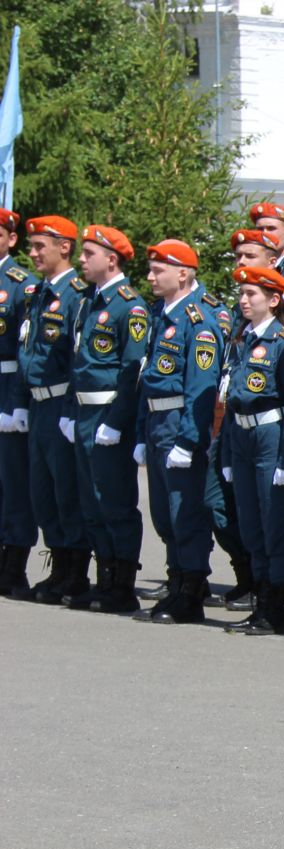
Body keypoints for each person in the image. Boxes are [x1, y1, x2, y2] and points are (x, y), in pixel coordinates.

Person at [132, 239, 225, 624]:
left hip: (178, 425)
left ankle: (191, 590)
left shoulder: (197, 321)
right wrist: (141, 432)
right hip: (156, 421)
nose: (151, 276)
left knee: (184, 511)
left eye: (159, 269)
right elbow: (147, 378)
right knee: (163, 514)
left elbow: (200, 389)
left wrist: (188, 440)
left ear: (183, 273)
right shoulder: (160, 314)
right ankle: (176, 582)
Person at [220, 265, 284, 636]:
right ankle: (260, 602)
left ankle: (276, 607)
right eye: (241, 294)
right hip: (241, 438)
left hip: (270, 437)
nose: (244, 300)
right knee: (252, 524)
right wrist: (227, 454)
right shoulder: (242, 340)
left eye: (252, 294)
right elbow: (231, 402)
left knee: (275, 525)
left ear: (274, 301)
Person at [68, 224, 150, 615]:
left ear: (110, 259)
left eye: (88, 254)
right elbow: (79, 362)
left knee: (114, 501)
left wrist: (117, 421)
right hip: (84, 411)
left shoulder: (128, 305)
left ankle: (122, 584)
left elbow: (132, 370)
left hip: (107, 411)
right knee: (91, 502)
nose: (81, 261)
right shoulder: (90, 300)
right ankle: (104, 578)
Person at [19, 216, 90, 604]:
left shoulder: (76, 294)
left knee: (66, 492)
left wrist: (68, 409)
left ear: (64, 247)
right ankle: (59, 565)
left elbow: (77, 359)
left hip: (61, 403)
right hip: (37, 403)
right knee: (42, 494)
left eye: (38, 246)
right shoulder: (38, 293)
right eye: (30, 246)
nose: (32, 253)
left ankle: (75, 572)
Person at [0, 209, 38, 597]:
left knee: (12, 481)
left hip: (5, 387)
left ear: (11, 239)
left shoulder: (20, 286)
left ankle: (13, 567)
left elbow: (24, 352)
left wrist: (15, 403)